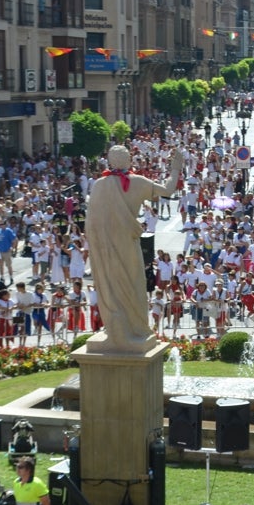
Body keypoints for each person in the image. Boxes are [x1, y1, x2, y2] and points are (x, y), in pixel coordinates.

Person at [86, 144, 184, 353]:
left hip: (106, 246)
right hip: (128, 244)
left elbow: (91, 223)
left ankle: (116, 330)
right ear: (128, 160)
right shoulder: (137, 182)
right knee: (134, 283)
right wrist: (176, 168)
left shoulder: (99, 185)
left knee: (111, 284)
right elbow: (168, 190)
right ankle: (134, 328)